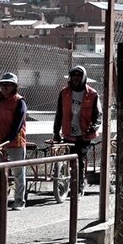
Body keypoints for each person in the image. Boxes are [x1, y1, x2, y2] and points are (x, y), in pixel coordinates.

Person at [53, 65, 102, 196]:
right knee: (69, 160)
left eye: (79, 76)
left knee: (79, 161)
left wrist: (92, 128)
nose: (76, 78)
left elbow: (98, 116)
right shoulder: (64, 93)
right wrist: (56, 132)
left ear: (84, 77)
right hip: (68, 133)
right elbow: (59, 113)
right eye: (73, 76)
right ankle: (68, 185)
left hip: (84, 135)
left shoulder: (92, 94)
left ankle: (79, 187)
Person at [0, 72, 27, 210]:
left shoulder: (19, 101)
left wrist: (8, 138)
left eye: (8, 85)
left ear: (14, 87)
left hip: (15, 142)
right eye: (2, 84)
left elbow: (18, 124)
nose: (4, 87)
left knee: (18, 173)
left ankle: (19, 201)